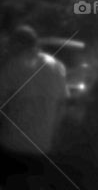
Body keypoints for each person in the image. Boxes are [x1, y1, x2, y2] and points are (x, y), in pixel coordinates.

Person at [0, 25, 67, 187]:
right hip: (43, 147)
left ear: (19, 44)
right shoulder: (57, 66)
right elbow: (62, 106)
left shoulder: (12, 66)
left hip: (13, 146)